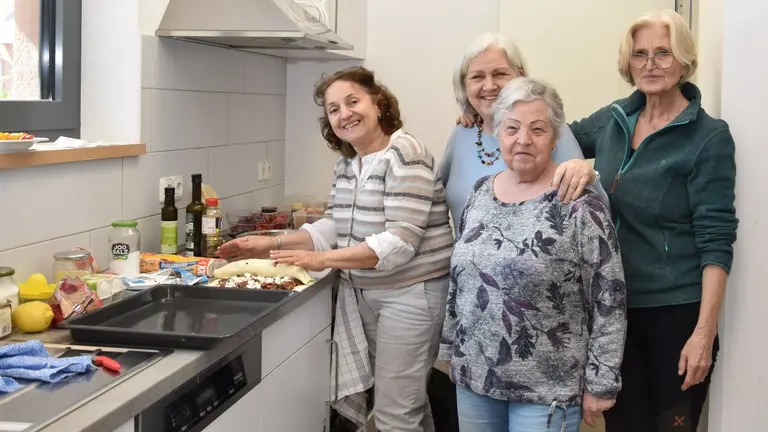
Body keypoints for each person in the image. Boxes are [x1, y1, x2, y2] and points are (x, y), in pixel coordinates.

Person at [217, 66, 454, 432]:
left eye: (352, 101)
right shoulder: (347, 163)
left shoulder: (405, 153)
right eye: (334, 109)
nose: (345, 114)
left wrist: (321, 259)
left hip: (410, 295)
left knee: (394, 415)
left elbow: (399, 242)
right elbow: (334, 226)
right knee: (406, 404)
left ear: (378, 102)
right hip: (371, 293)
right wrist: (272, 242)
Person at [555, 10, 738, 431]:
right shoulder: (615, 118)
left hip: (674, 313)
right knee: (622, 425)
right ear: (628, 62)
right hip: (611, 309)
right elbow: (548, 133)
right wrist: (484, 117)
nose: (650, 64)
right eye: (640, 54)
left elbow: (716, 239)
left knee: (668, 425)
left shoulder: (708, 137)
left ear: (684, 60)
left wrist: (704, 332)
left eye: (663, 53)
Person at [439, 76, 627, 432]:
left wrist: (602, 381)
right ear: (497, 133)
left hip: (547, 388)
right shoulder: (479, 194)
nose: (523, 139)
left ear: (555, 138)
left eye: (537, 129)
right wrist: (450, 348)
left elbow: (609, 298)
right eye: (511, 128)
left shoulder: (578, 203)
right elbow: (460, 278)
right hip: (475, 379)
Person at [440, 32, 608, 227]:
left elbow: (594, 211)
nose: (489, 85)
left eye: (499, 74)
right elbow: (435, 199)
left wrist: (588, 174)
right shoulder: (463, 133)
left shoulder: (547, 131)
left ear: (520, 75)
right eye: (477, 77)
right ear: (464, 85)